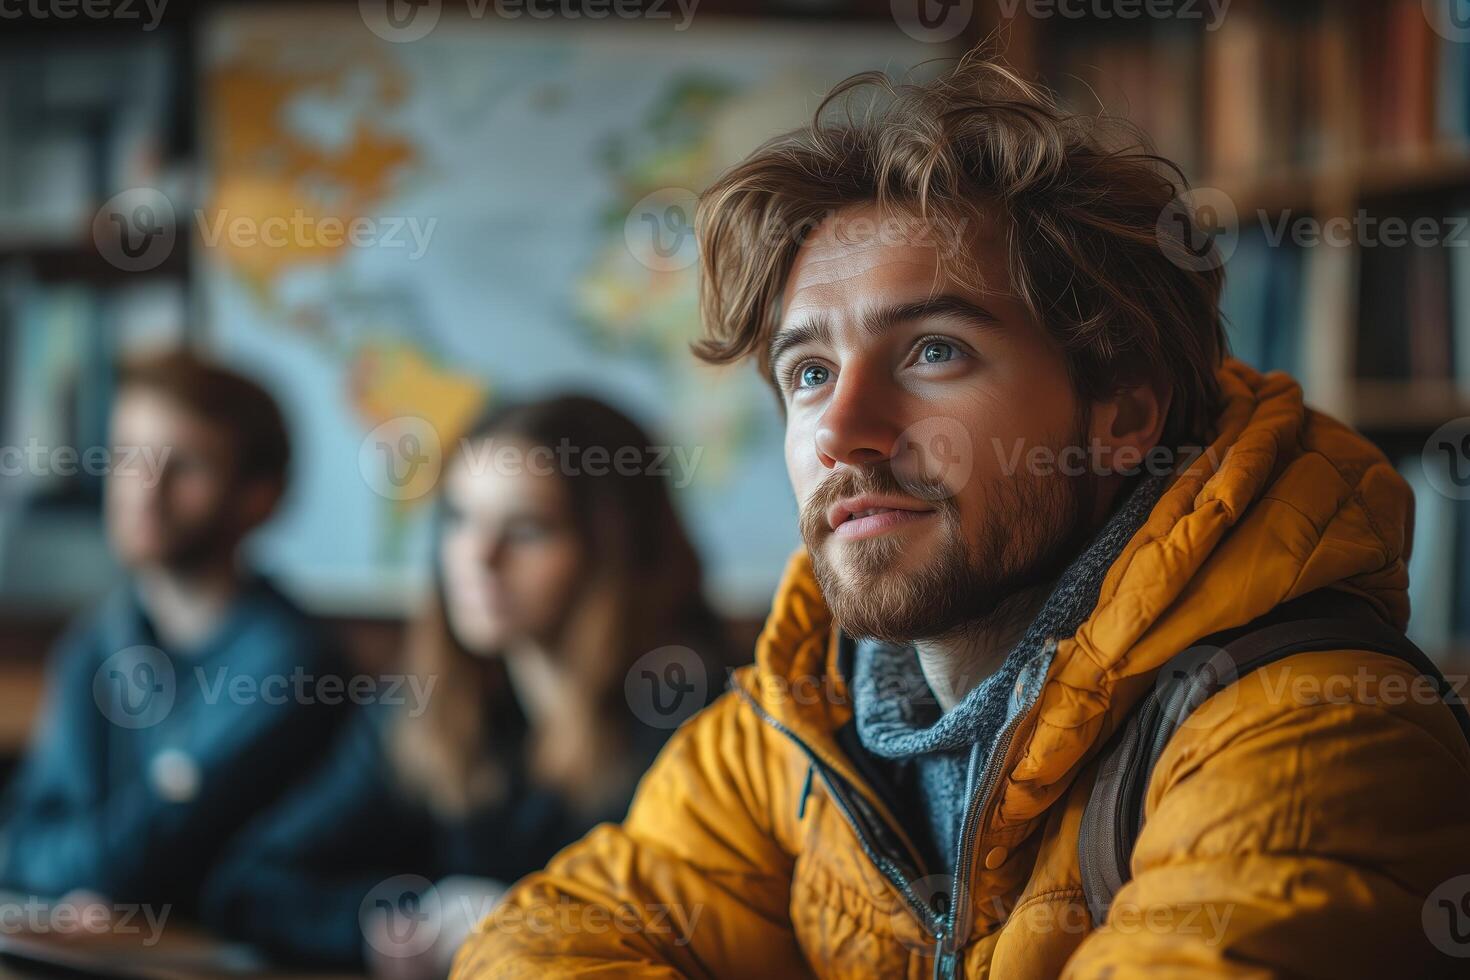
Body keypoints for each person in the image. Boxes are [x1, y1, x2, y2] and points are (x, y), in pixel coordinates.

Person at [452, 53, 1470, 978]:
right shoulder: (794, 729)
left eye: (934, 349)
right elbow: (541, 938)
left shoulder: (1311, 731)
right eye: (808, 372)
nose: (842, 431)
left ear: (1121, 412)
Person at [200, 394, 730, 976]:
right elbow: (248, 885)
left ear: (613, 550)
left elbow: (717, 935)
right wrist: (404, 923)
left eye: (527, 529)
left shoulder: (699, 715)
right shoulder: (424, 706)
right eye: (459, 519)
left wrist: (533, 927)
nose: (478, 556)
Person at [0, 351, 346, 918]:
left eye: (185, 466)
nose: (144, 490)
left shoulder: (291, 665)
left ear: (259, 498)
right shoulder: (95, 642)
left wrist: (85, 877)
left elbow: (160, 857)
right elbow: (21, 842)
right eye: (128, 457)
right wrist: (83, 881)